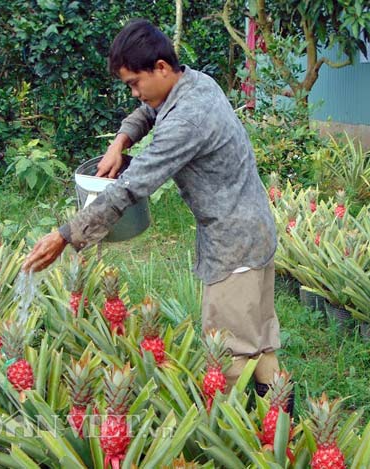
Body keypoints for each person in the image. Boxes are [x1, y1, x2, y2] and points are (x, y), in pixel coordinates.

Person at [22, 19, 281, 392]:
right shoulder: (193, 82)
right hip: (252, 229)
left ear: (160, 68)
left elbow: (131, 186)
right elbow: (149, 110)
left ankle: (239, 438)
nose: (134, 93)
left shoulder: (187, 121)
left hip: (234, 243)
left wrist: (64, 236)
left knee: (230, 355)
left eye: (134, 83)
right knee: (259, 337)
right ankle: (282, 426)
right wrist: (120, 140)